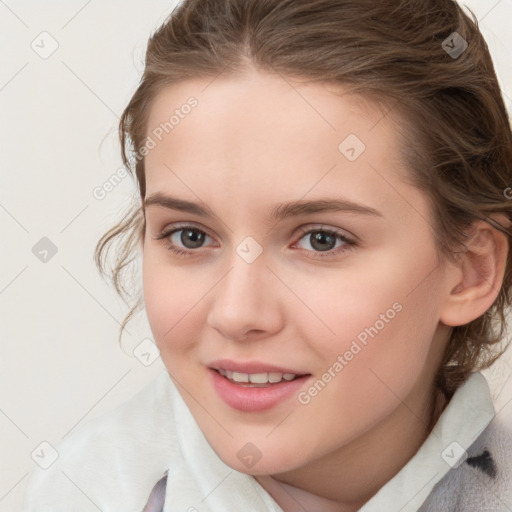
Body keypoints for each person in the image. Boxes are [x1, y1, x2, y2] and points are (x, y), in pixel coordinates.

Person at [22, 0, 512, 510]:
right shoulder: (78, 492)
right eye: (190, 236)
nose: (236, 314)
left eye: (322, 239)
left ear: (470, 272)